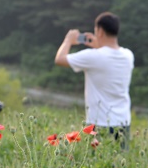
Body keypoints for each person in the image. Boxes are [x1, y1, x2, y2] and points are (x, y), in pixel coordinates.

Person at [54, 12, 134, 143]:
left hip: (99, 123)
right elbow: (107, 56)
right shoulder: (128, 55)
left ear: (100, 31)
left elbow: (60, 59)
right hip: (123, 122)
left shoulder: (93, 56)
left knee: (97, 162)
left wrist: (68, 40)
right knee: (119, 162)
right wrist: (99, 45)